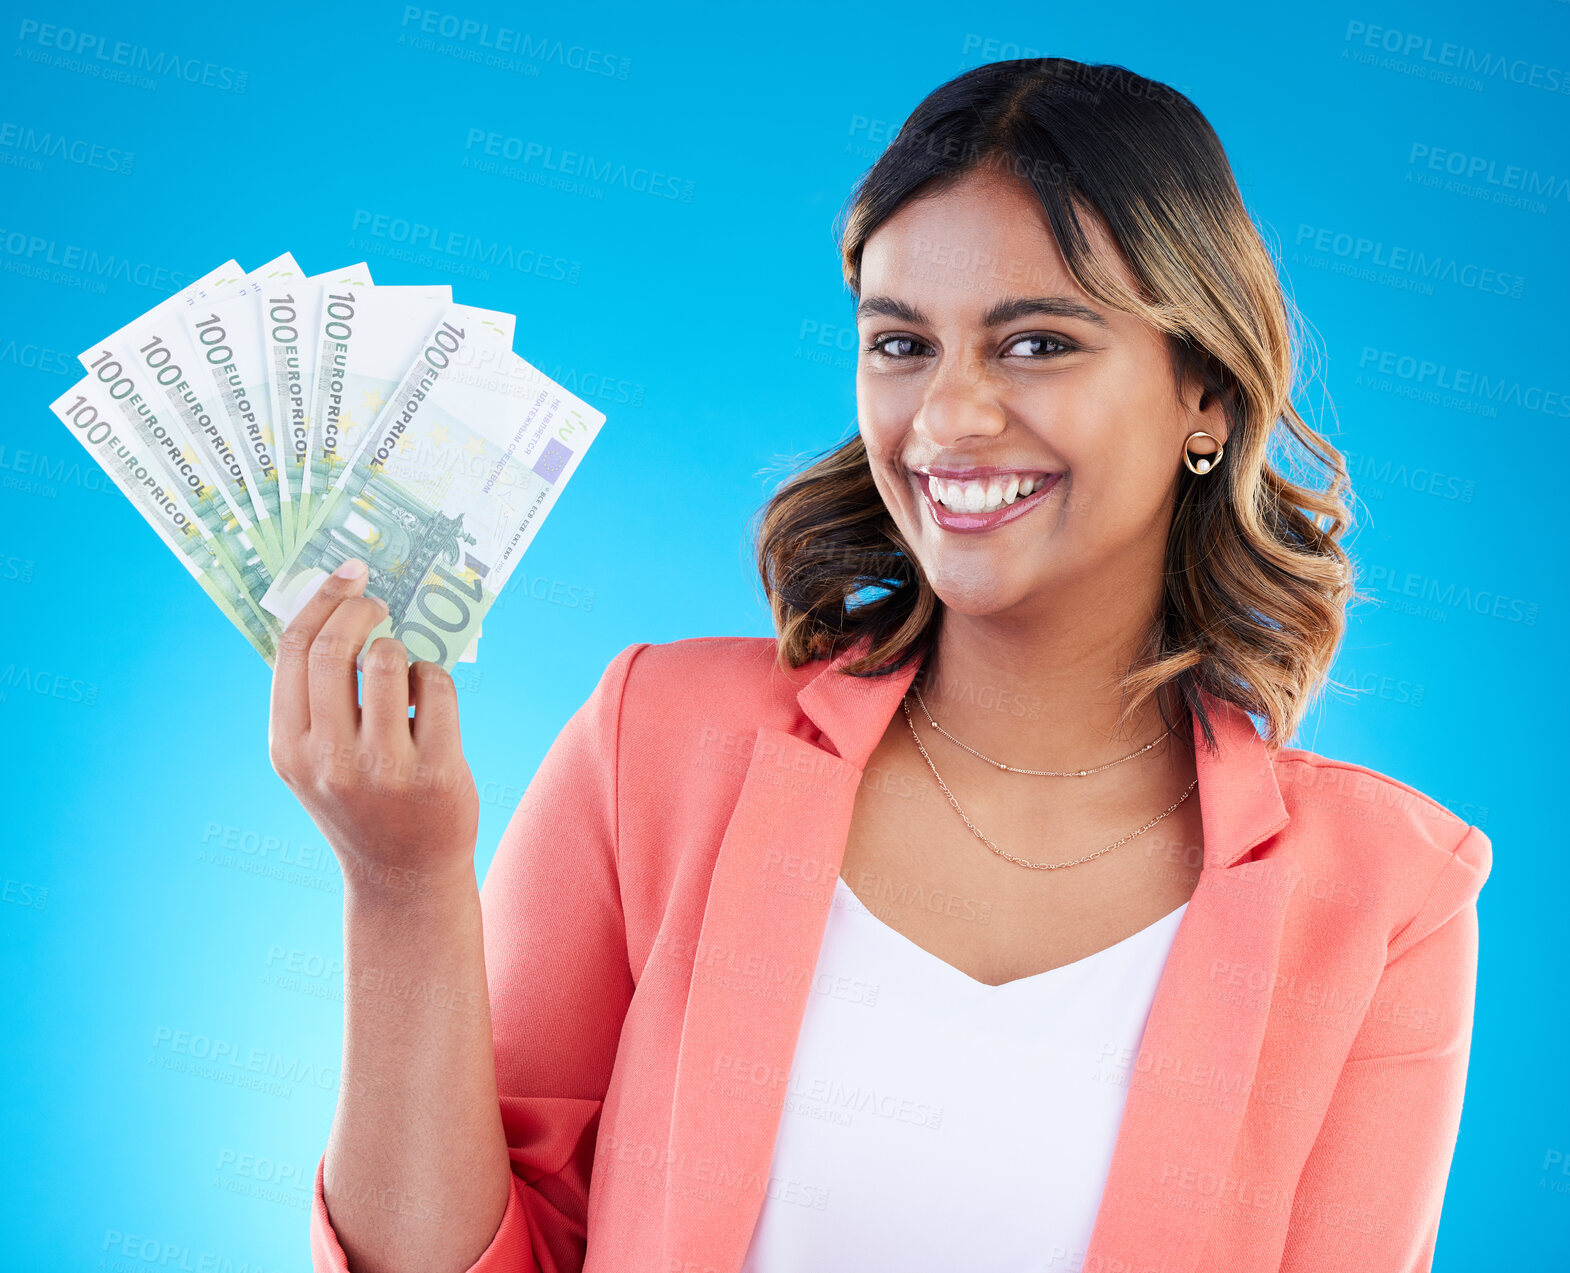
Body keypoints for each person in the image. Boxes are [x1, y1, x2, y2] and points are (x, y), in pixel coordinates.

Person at [271, 57, 1492, 1273]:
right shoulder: (660, 741)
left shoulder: (1385, 900)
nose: (948, 418)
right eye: (902, 344)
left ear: (1207, 399)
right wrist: (401, 882)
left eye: (1036, 345)